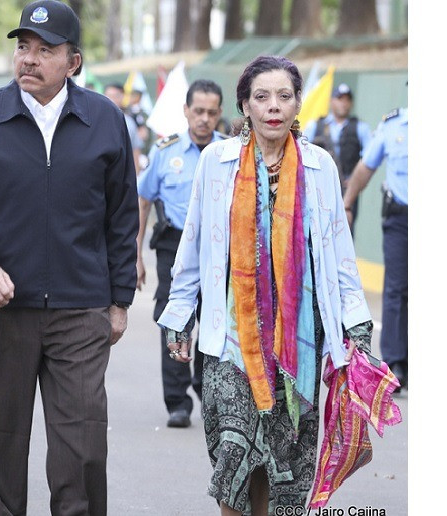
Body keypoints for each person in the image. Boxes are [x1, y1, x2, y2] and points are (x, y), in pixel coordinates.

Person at [0, 1, 139, 513]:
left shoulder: (104, 119)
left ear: (72, 62)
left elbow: (122, 216)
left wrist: (119, 301)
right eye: (23, 47)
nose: (29, 59)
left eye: (45, 50)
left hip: (81, 307)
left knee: (82, 446)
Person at [157, 55, 373, 515]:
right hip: (230, 334)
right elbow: (193, 243)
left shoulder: (320, 167)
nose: (273, 106)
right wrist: (179, 316)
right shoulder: (217, 163)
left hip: (300, 342)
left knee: (283, 462)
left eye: (284, 96)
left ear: (298, 105)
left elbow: (339, 253)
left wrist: (356, 325)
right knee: (236, 454)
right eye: (262, 96)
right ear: (245, 106)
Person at [136, 79, 226, 429]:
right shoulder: (165, 151)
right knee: (174, 321)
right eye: (198, 111)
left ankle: (208, 389)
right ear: (186, 111)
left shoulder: (229, 151)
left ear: (219, 114)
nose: (204, 118)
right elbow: (143, 201)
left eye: (211, 112)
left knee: (216, 321)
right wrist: (136, 254)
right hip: (173, 246)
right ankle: (177, 401)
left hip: (219, 248)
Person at [342, 106, 408, 391]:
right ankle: (396, 364)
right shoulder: (393, 125)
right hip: (400, 220)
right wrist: (347, 203)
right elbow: (366, 167)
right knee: (396, 289)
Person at [303, 83, 371, 226]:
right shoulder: (316, 125)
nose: (344, 103)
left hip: (346, 189)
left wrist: (355, 179)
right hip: (319, 187)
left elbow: (368, 157)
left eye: (347, 100)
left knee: (344, 231)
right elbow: (302, 151)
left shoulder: (360, 127)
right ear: (331, 101)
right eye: (340, 99)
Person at [104, 82, 143, 173]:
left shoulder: (129, 122)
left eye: (116, 96)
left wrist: (136, 175)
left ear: (122, 97)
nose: (111, 99)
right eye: (108, 95)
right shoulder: (94, 119)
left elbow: (135, 151)